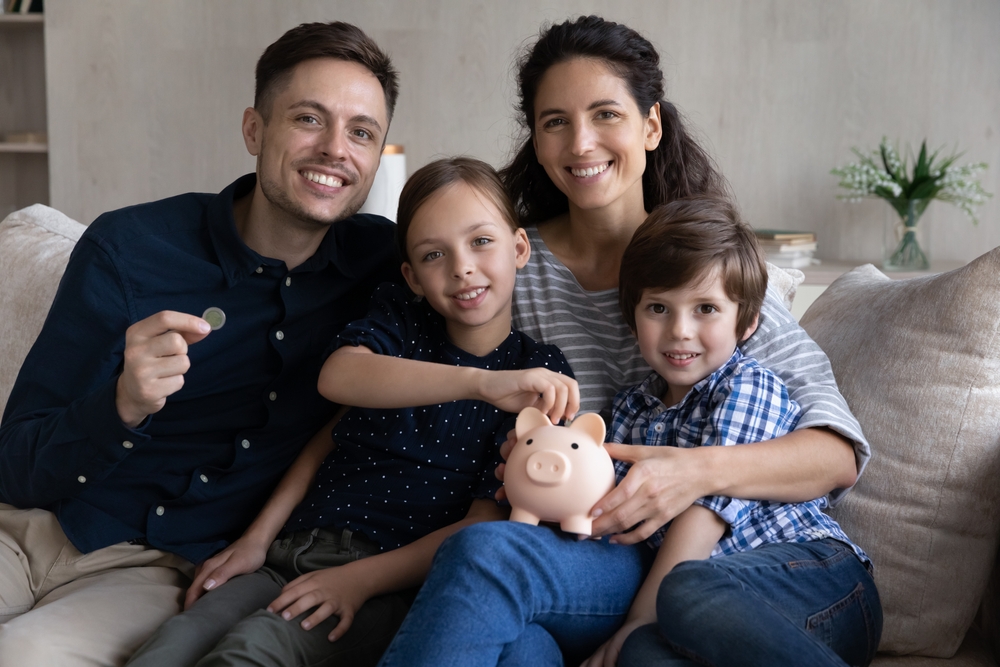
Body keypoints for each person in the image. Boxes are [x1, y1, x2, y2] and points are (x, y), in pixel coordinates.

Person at [375, 15, 871, 666]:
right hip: (591, 549)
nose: (581, 143)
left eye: (605, 113)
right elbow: (423, 368)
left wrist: (690, 473)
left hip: (707, 561)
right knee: (522, 642)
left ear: (651, 126)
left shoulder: (706, 273)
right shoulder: (505, 264)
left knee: (624, 597)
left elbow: (836, 452)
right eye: (555, 121)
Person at [0, 21, 402, 667]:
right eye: (308, 118)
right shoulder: (131, 248)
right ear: (253, 129)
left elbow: (491, 253)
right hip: (24, 529)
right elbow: (14, 459)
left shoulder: (386, 265)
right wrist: (122, 403)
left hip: (157, 570)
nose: (334, 149)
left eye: (361, 132)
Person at [123, 157, 579, 667]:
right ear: (411, 275)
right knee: (173, 644)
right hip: (286, 553)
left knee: (250, 653)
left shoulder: (538, 373)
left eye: (481, 241)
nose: (462, 267)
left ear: (519, 248)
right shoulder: (401, 323)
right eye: (434, 254)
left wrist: (358, 581)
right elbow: (334, 398)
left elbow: (483, 530)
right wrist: (256, 540)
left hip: (386, 580)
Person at [580, 196, 881, 667]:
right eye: (658, 308)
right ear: (632, 315)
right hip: (718, 613)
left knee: (680, 593)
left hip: (820, 582)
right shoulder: (628, 411)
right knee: (643, 655)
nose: (680, 330)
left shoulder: (747, 386)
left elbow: (702, 520)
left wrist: (636, 619)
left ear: (748, 322)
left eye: (705, 308)